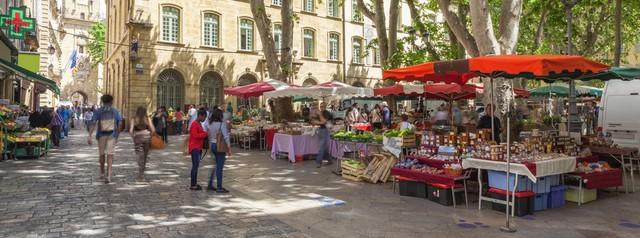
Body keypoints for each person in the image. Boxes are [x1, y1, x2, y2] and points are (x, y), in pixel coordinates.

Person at [89, 95, 123, 184]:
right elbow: (119, 124)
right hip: (112, 135)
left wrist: (89, 135)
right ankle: (109, 175)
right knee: (110, 155)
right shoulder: (116, 111)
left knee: (101, 154)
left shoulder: (98, 111)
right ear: (112, 101)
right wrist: (117, 135)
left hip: (101, 135)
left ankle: (102, 172)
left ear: (102, 101)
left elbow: (93, 123)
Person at [206, 109, 232, 193]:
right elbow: (226, 136)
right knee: (219, 167)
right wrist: (229, 148)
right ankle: (219, 187)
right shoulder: (222, 124)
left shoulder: (211, 124)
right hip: (220, 146)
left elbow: (209, 135)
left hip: (213, 145)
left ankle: (210, 184)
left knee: (216, 165)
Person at [130, 106, 156, 181]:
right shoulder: (147, 118)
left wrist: (134, 137)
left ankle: (140, 175)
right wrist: (150, 136)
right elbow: (153, 130)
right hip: (147, 138)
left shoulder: (134, 119)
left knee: (140, 156)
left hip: (138, 138)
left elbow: (131, 131)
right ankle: (142, 174)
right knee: (145, 156)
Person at [188, 109, 209, 190]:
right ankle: (193, 185)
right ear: (200, 115)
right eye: (204, 117)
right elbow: (195, 135)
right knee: (195, 166)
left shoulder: (199, 124)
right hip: (195, 147)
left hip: (198, 147)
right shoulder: (194, 124)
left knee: (196, 166)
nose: (204, 119)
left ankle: (194, 183)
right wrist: (205, 134)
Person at [311, 102, 333, 168]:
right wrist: (319, 122)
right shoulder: (319, 113)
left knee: (322, 146)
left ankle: (318, 161)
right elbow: (313, 122)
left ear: (325, 106)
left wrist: (319, 121)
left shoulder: (327, 113)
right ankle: (329, 160)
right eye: (321, 106)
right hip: (320, 130)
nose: (321, 108)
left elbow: (324, 121)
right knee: (324, 147)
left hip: (325, 130)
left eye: (323, 106)